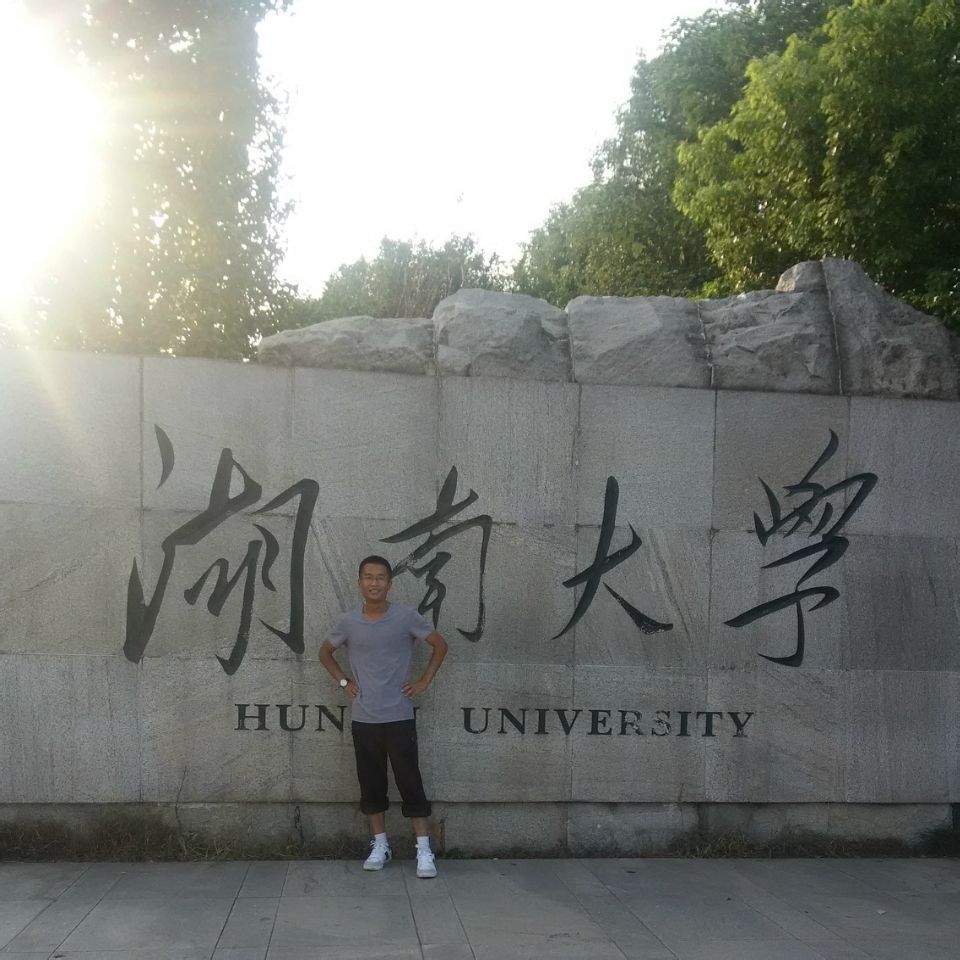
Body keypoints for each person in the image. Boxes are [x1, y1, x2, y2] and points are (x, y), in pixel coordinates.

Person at [319, 554, 448, 878]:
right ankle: (380, 845)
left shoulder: (405, 617)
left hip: (399, 716)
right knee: (371, 784)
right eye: (368, 577)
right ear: (359, 582)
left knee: (410, 782)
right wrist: (344, 682)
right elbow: (324, 652)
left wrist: (423, 682)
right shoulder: (348, 622)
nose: (374, 583)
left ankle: (423, 850)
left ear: (389, 584)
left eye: (380, 578)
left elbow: (439, 645)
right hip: (364, 718)